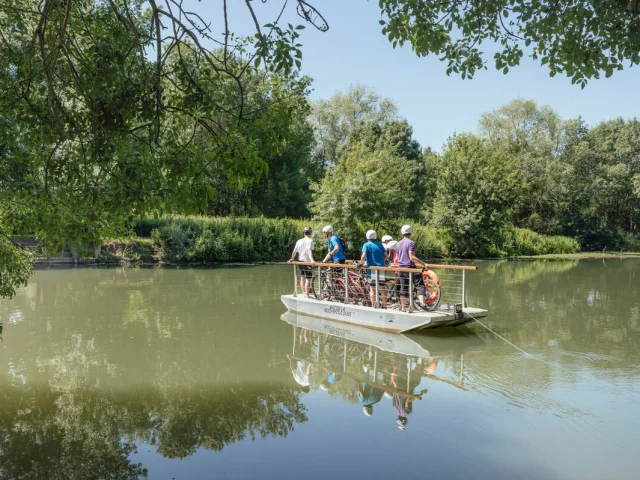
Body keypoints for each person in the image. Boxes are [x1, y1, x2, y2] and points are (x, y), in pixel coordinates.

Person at [396, 225, 429, 312]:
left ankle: (403, 307)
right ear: (410, 233)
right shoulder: (411, 243)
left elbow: (399, 256)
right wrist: (423, 264)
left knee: (404, 287)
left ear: (402, 233)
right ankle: (422, 304)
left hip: (401, 268)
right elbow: (412, 257)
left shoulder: (398, 243)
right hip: (410, 268)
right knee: (420, 285)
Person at [358, 230, 388, 308]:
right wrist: (382, 261)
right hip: (381, 268)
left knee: (372, 288)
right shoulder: (380, 245)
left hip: (371, 269)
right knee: (382, 287)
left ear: (367, 236)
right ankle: (385, 306)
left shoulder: (366, 245)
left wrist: (361, 263)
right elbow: (386, 255)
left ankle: (374, 305)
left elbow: (363, 256)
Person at [288, 226, 315, 298]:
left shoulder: (299, 241)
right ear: (310, 233)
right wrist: (312, 260)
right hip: (307, 262)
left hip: (300, 261)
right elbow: (309, 250)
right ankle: (307, 295)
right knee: (308, 279)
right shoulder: (310, 241)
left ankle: (304, 293)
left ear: (304, 233)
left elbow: (294, 251)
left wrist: (292, 258)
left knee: (302, 278)